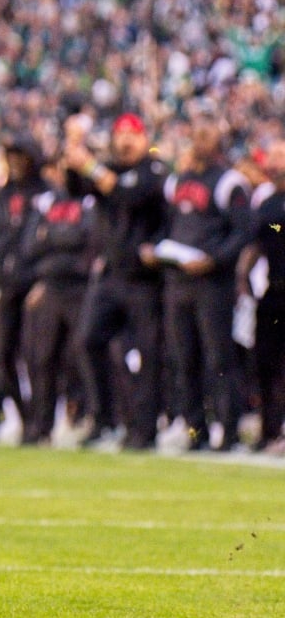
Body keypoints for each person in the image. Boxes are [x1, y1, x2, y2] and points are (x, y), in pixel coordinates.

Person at [146, 116, 251, 450]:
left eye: (208, 134)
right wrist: (155, 249)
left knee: (219, 358)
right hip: (178, 280)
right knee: (183, 358)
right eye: (197, 134)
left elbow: (243, 231)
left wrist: (214, 259)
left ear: (219, 139)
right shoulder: (178, 181)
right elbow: (167, 225)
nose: (201, 140)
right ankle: (196, 431)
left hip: (212, 283)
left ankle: (229, 429)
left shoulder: (229, 182)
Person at [67, 113, 170, 449]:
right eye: (120, 133)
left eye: (132, 134)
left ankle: (144, 428)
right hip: (109, 274)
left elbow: (129, 194)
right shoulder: (110, 168)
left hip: (143, 278)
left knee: (147, 353)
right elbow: (74, 187)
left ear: (144, 139)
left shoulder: (152, 171)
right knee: (87, 340)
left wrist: (90, 165)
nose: (125, 140)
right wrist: (74, 150)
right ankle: (104, 417)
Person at [0, 136, 45, 440]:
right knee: (2, 356)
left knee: (36, 356)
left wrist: (41, 278)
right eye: (10, 156)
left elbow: (43, 240)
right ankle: (28, 415)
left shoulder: (43, 194)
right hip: (7, 284)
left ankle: (40, 419)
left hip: (34, 284)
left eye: (20, 156)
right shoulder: (5, 195)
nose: (14, 163)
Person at [18, 157, 95, 445]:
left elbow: (88, 237)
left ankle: (89, 417)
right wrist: (65, 237)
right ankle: (41, 424)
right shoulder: (47, 202)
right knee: (42, 358)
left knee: (82, 355)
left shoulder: (88, 201)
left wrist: (51, 236)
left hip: (80, 286)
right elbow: (29, 244)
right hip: (50, 285)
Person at [240, 139, 285, 453]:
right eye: (272, 157)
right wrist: (242, 274)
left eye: (280, 157)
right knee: (265, 362)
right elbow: (256, 243)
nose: (274, 163)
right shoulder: (267, 201)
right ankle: (269, 429)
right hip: (274, 288)